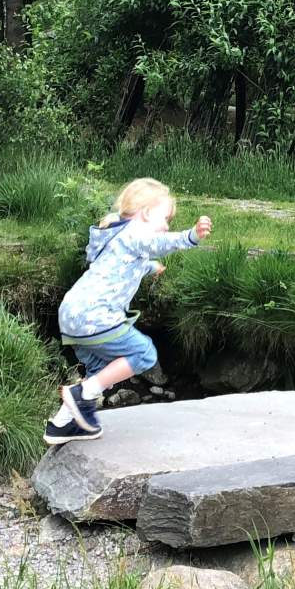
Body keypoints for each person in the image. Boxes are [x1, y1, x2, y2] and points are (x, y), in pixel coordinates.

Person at [45, 178, 211, 445]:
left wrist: (149, 267)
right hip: (95, 315)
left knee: (102, 370)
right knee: (144, 354)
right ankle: (80, 393)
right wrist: (189, 236)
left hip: (73, 315)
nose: (167, 225)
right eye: (165, 218)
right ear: (146, 213)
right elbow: (156, 243)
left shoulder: (119, 236)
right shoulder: (136, 233)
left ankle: (62, 424)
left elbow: (118, 264)